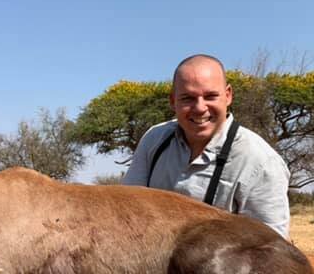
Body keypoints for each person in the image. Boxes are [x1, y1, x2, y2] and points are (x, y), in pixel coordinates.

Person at [123, 54, 291, 238]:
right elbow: (126, 212)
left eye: (210, 96)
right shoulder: (154, 139)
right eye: (187, 98)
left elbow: (270, 249)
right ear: (173, 101)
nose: (200, 108)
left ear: (228, 96)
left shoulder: (261, 162)